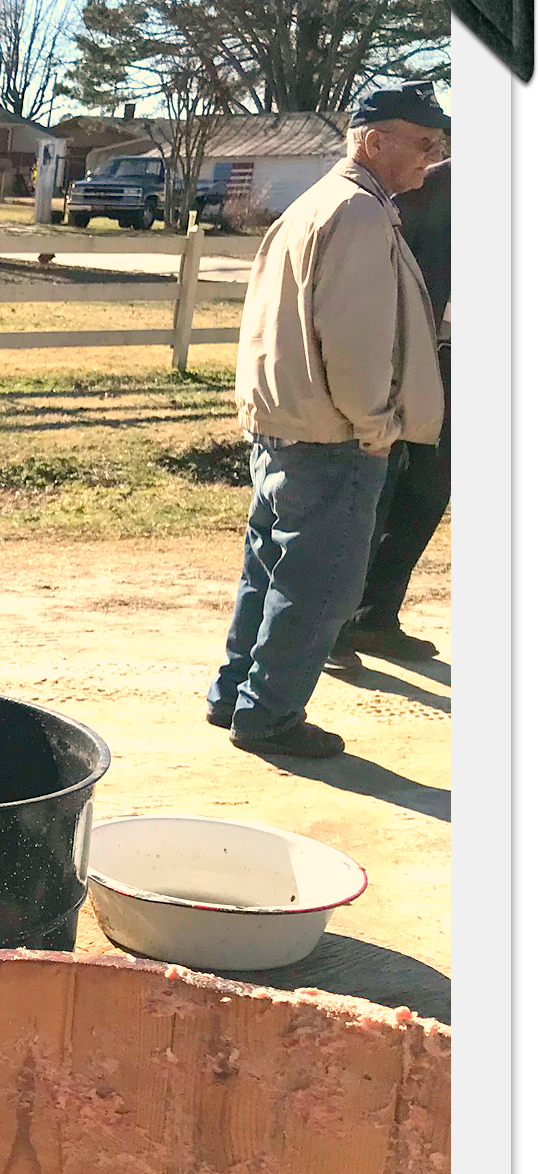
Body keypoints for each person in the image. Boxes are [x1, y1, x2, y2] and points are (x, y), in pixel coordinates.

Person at [205, 84, 447, 758]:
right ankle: (270, 717)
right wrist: (376, 423)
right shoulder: (361, 213)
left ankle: (235, 696)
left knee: (271, 571)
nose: (433, 157)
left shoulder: (317, 204)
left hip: (287, 422)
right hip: (333, 435)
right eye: (424, 142)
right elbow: (355, 338)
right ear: (375, 142)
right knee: (319, 586)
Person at [334, 157, 450, 666]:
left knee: (428, 493)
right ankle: (332, 625)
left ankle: (376, 615)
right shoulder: (427, 188)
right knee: (376, 487)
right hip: (414, 357)